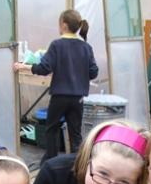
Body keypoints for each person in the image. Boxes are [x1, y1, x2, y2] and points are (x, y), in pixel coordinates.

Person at [13, 9, 98, 164]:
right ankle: (76, 165)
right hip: (78, 98)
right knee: (75, 133)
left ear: (64, 25)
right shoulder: (86, 48)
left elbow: (44, 68)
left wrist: (25, 67)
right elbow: (93, 73)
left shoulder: (57, 45)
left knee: (51, 129)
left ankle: (51, 162)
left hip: (59, 96)